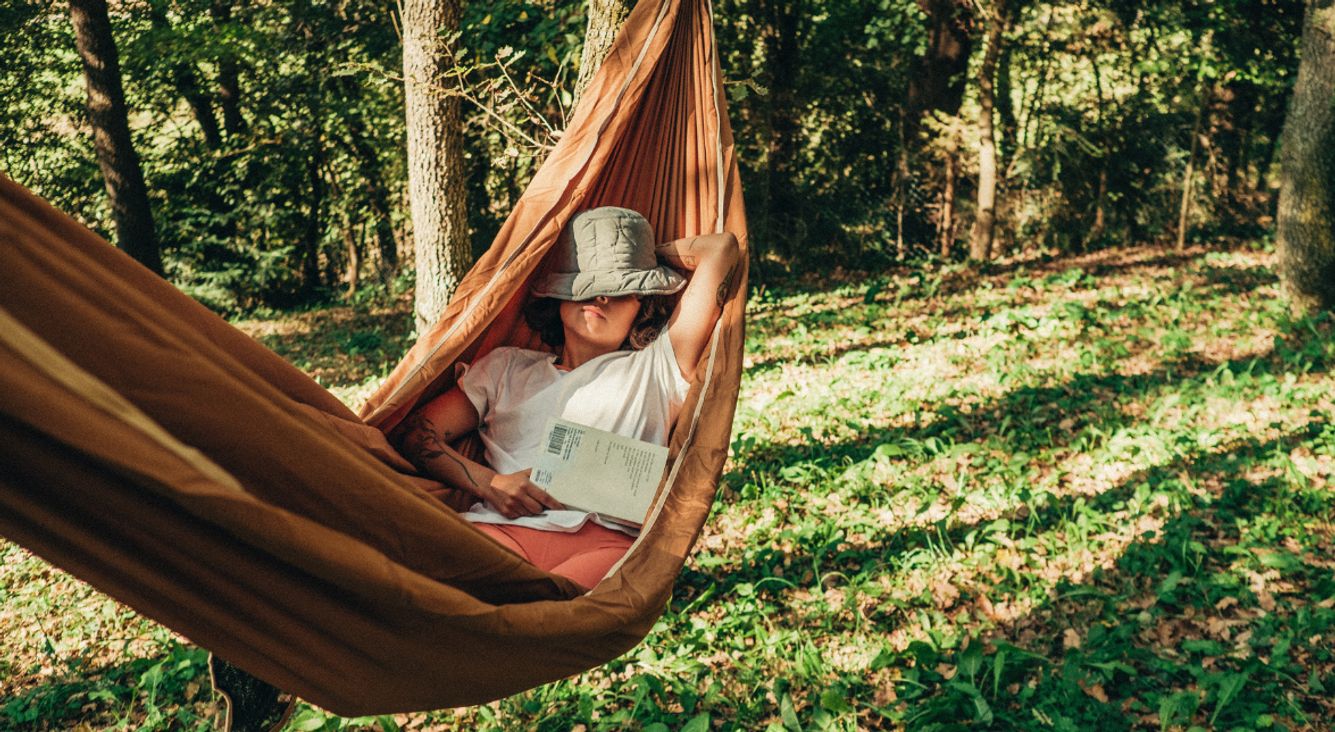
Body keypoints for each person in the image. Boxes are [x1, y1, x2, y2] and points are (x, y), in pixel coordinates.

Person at [399, 206, 740, 589]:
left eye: (619, 287)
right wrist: (490, 484)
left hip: (606, 545)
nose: (601, 296)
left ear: (642, 305)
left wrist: (643, 256)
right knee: (431, 583)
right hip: (502, 530)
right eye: (586, 282)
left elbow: (721, 249)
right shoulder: (506, 368)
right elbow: (416, 432)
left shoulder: (658, 366)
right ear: (559, 298)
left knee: (547, 613)